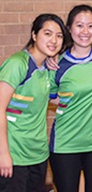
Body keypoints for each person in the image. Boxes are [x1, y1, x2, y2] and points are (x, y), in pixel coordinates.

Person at [48, 4, 92, 192]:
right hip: (65, 144)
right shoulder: (56, 63)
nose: (85, 31)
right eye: (79, 25)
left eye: (91, 26)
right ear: (69, 29)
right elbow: (50, 97)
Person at [0, 13, 67, 192]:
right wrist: (3, 154)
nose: (54, 40)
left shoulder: (48, 68)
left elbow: (55, 99)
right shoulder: (17, 64)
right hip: (14, 155)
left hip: (37, 154)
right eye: (47, 33)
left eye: (59, 36)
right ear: (34, 35)